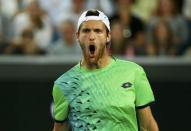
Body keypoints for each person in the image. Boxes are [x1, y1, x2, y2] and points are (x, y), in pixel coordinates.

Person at [52, 9, 159, 131]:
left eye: (98, 31)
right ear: (78, 36)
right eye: (86, 31)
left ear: (108, 36)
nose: (92, 36)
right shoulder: (64, 84)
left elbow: (148, 126)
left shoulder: (134, 72)